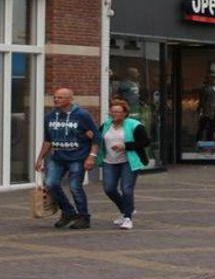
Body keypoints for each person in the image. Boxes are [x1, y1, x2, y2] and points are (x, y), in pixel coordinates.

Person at [34, 88, 100, 229]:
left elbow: (96, 137)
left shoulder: (82, 115)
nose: (56, 100)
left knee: (75, 186)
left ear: (70, 99)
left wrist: (91, 157)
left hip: (78, 157)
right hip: (57, 156)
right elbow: (48, 140)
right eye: (55, 97)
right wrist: (40, 158)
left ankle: (84, 217)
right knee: (51, 184)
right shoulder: (50, 116)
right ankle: (68, 212)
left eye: (60, 97)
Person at [97, 99, 149, 230]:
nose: (114, 114)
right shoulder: (106, 125)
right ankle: (127, 209)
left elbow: (145, 142)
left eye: (118, 112)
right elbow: (98, 139)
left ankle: (127, 218)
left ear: (125, 113)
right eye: (112, 111)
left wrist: (125, 146)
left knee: (126, 189)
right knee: (109, 189)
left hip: (129, 161)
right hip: (110, 161)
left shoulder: (134, 125)